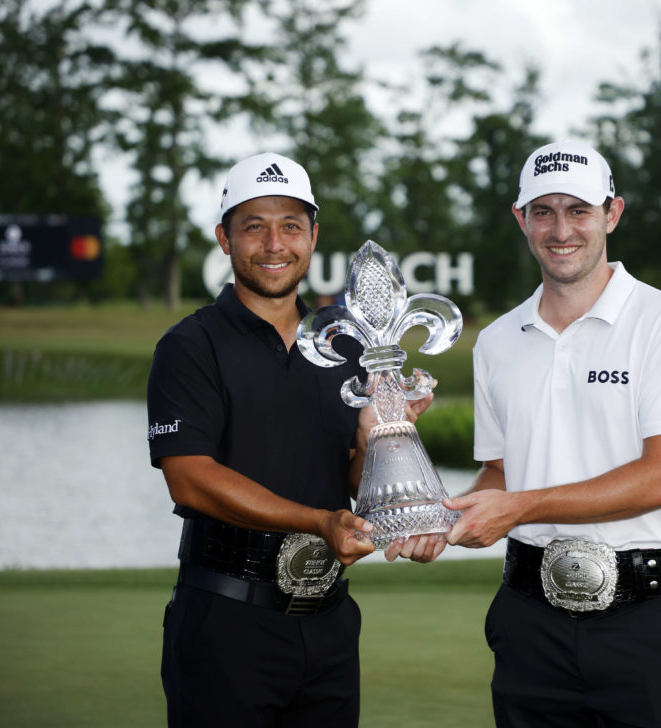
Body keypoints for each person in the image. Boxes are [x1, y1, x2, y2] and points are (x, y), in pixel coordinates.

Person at [146, 151, 438, 727]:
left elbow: (355, 481)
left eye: (290, 226)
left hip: (327, 621)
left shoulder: (345, 347)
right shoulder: (190, 346)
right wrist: (317, 522)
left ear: (313, 236)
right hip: (227, 617)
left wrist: (381, 441)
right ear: (224, 239)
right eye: (254, 226)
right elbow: (190, 479)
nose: (274, 244)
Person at [445, 140, 661, 727]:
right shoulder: (496, 340)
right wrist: (448, 517)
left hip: (649, 620)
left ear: (612, 214)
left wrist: (518, 506)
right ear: (521, 220)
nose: (560, 229)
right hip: (529, 620)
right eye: (543, 211)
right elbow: (502, 470)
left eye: (579, 210)